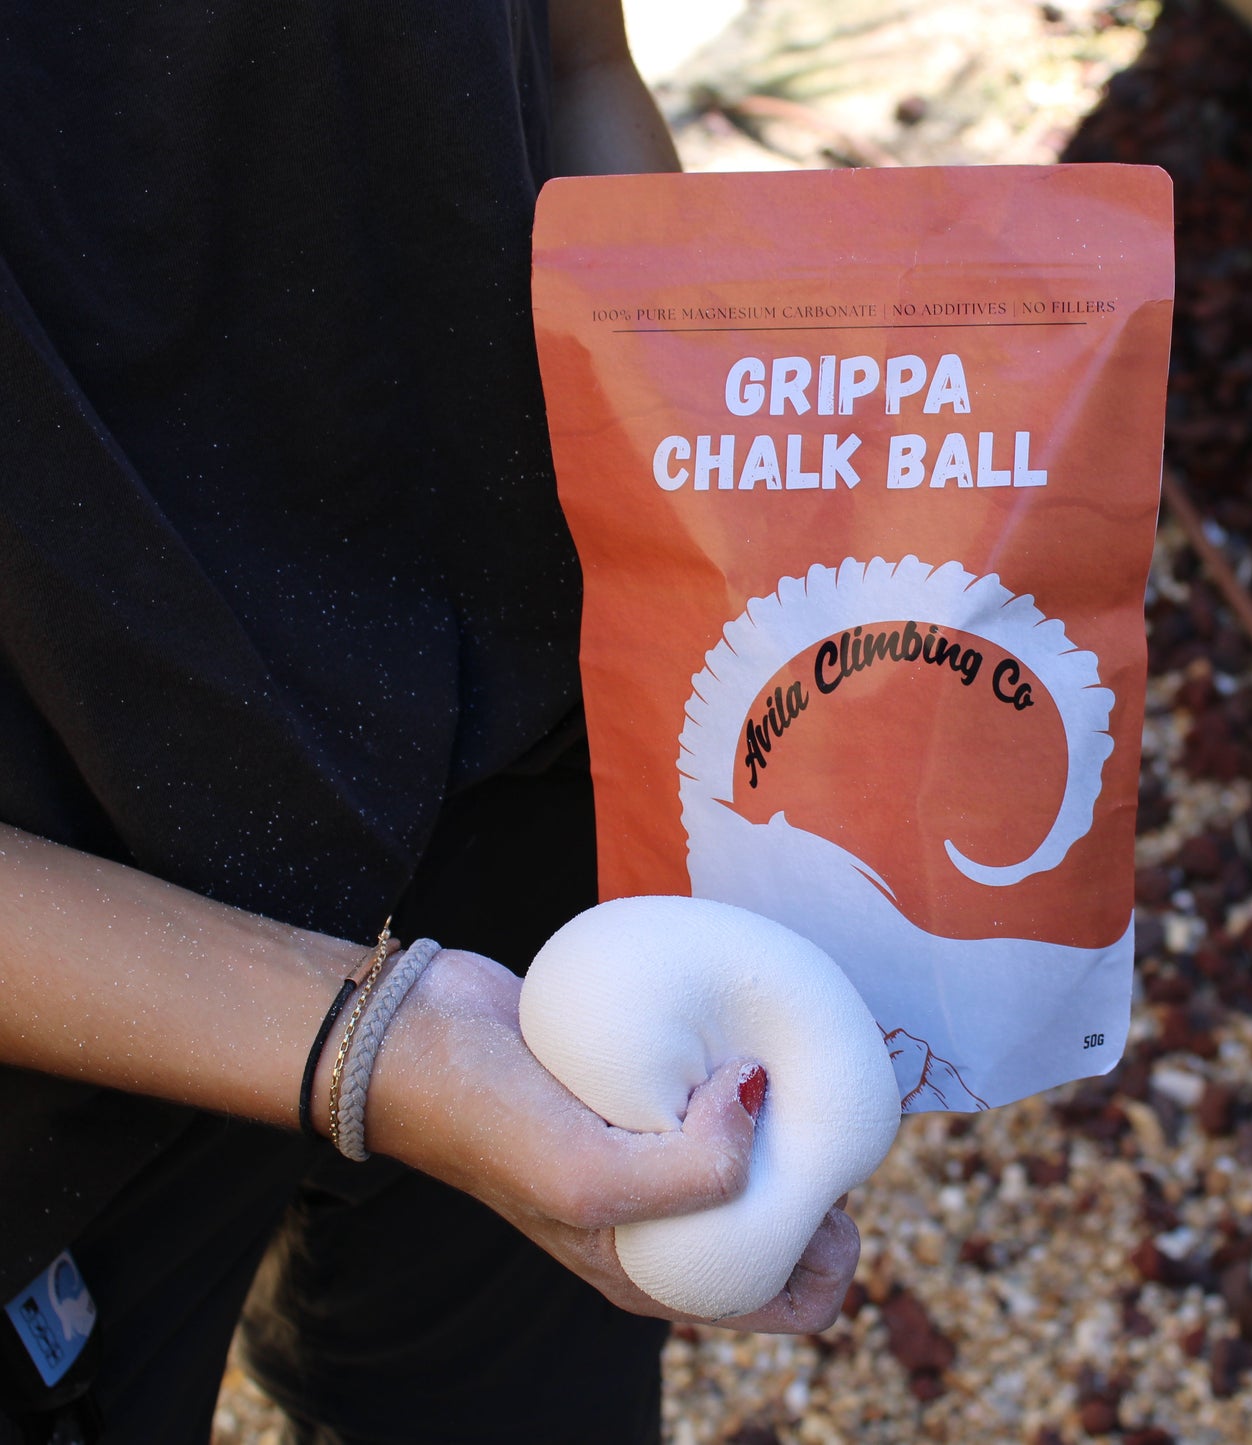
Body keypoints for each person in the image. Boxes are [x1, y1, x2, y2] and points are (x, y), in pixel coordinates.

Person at [0, 3, 860, 1441]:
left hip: (527, 813)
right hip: (67, 991)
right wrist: (380, 1053)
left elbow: (577, 65)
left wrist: (743, 562)